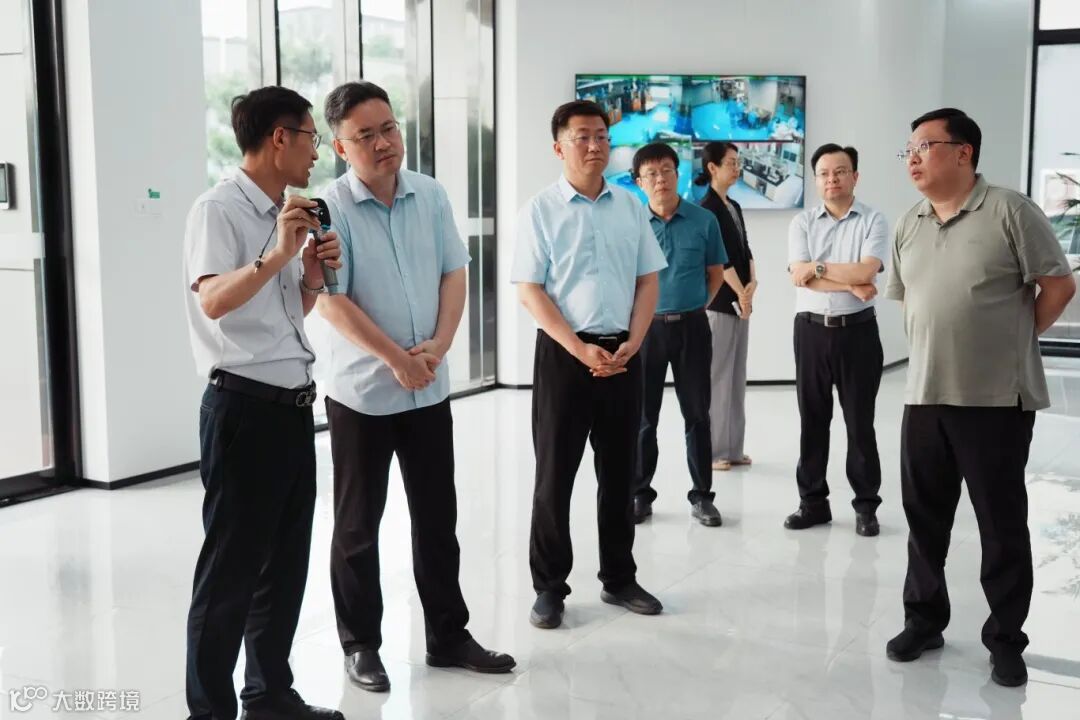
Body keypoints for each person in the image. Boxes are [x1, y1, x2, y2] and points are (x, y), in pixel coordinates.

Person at [317, 81, 514, 693]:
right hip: (362, 394)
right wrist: (394, 359)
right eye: (365, 136)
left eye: (389, 128)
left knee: (437, 518)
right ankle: (360, 645)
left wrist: (441, 343)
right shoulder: (329, 209)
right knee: (357, 526)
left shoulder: (429, 194)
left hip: (427, 387)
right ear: (340, 147)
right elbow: (330, 301)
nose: (383, 143)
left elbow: (454, 272)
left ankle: (448, 636)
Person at [884, 108, 1075, 687]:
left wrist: (1014, 340)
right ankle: (923, 621)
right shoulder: (910, 222)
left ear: (964, 152)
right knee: (924, 520)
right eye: (908, 149)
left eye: (925, 146)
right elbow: (912, 300)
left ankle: (1006, 639)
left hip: (995, 400)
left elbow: (1059, 284)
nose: (912, 158)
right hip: (924, 395)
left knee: (1000, 523)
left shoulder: (1010, 210)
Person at [182, 86, 345, 720]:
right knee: (230, 572)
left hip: (293, 409)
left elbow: (284, 314)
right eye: (311, 137)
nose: (316, 152)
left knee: (284, 567)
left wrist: (309, 276)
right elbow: (213, 300)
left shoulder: (287, 211)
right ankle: (209, 710)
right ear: (280, 138)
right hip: (243, 411)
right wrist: (276, 254)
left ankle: (269, 695)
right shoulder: (218, 209)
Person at [512, 100, 668, 630]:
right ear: (559, 147)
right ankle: (549, 588)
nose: (595, 145)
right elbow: (530, 291)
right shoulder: (540, 210)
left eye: (601, 135)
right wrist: (580, 350)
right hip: (564, 357)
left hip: (624, 355)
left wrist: (635, 341)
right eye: (582, 136)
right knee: (554, 477)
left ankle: (619, 578)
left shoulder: (630, 207)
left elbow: (648, 280)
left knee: (620, 474)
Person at [784, 143, 889, 536]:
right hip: (810, 331)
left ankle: (866, 506)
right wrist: (850, 282)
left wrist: (819, 268)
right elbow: (799, 276)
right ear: (816, 180)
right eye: (824, 173)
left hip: (858, 332)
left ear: (854, 176)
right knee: (812, 420)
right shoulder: (802, 222)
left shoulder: (874, 220)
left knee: (860, 422)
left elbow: (866, 272)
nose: (832, 179)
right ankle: (813, 503)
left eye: (840, 171)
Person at [629, 142, 727, 527]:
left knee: (698, 414)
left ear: (677, 173)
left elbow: (715, 273)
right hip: (645, 330)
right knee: (643, 417)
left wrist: (697, 305)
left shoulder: (704, 220)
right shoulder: (631, 224)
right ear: (639, 182)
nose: (660, 180)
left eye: (666, 171)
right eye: (651, 174)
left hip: (692, 328)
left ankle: (702, 497)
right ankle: (640, 494)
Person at [697, 142, 755, 472]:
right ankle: (714, 451)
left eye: (737, 162)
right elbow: (719, 261)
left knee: (736, 377)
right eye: (731, 163)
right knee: (718, 377)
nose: (737, 168)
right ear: (712, 168)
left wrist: (751, 286)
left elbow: (745, 251)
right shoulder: (706, 209)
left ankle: (734, 448)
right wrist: (741, 292)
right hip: (720, 303)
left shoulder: (734, 206)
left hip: (741, 301)